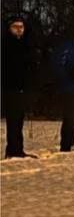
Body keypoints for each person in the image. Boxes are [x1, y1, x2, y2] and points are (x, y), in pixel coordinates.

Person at [2, 17, 38, 159]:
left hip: (23, 88)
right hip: (8, 87)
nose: (18, 29)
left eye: (21, 26)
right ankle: (13, 150)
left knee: (18, 120)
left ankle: (17, 149)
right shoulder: (5, 44)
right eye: (15, 26)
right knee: (12, 121)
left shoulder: (27, 45)